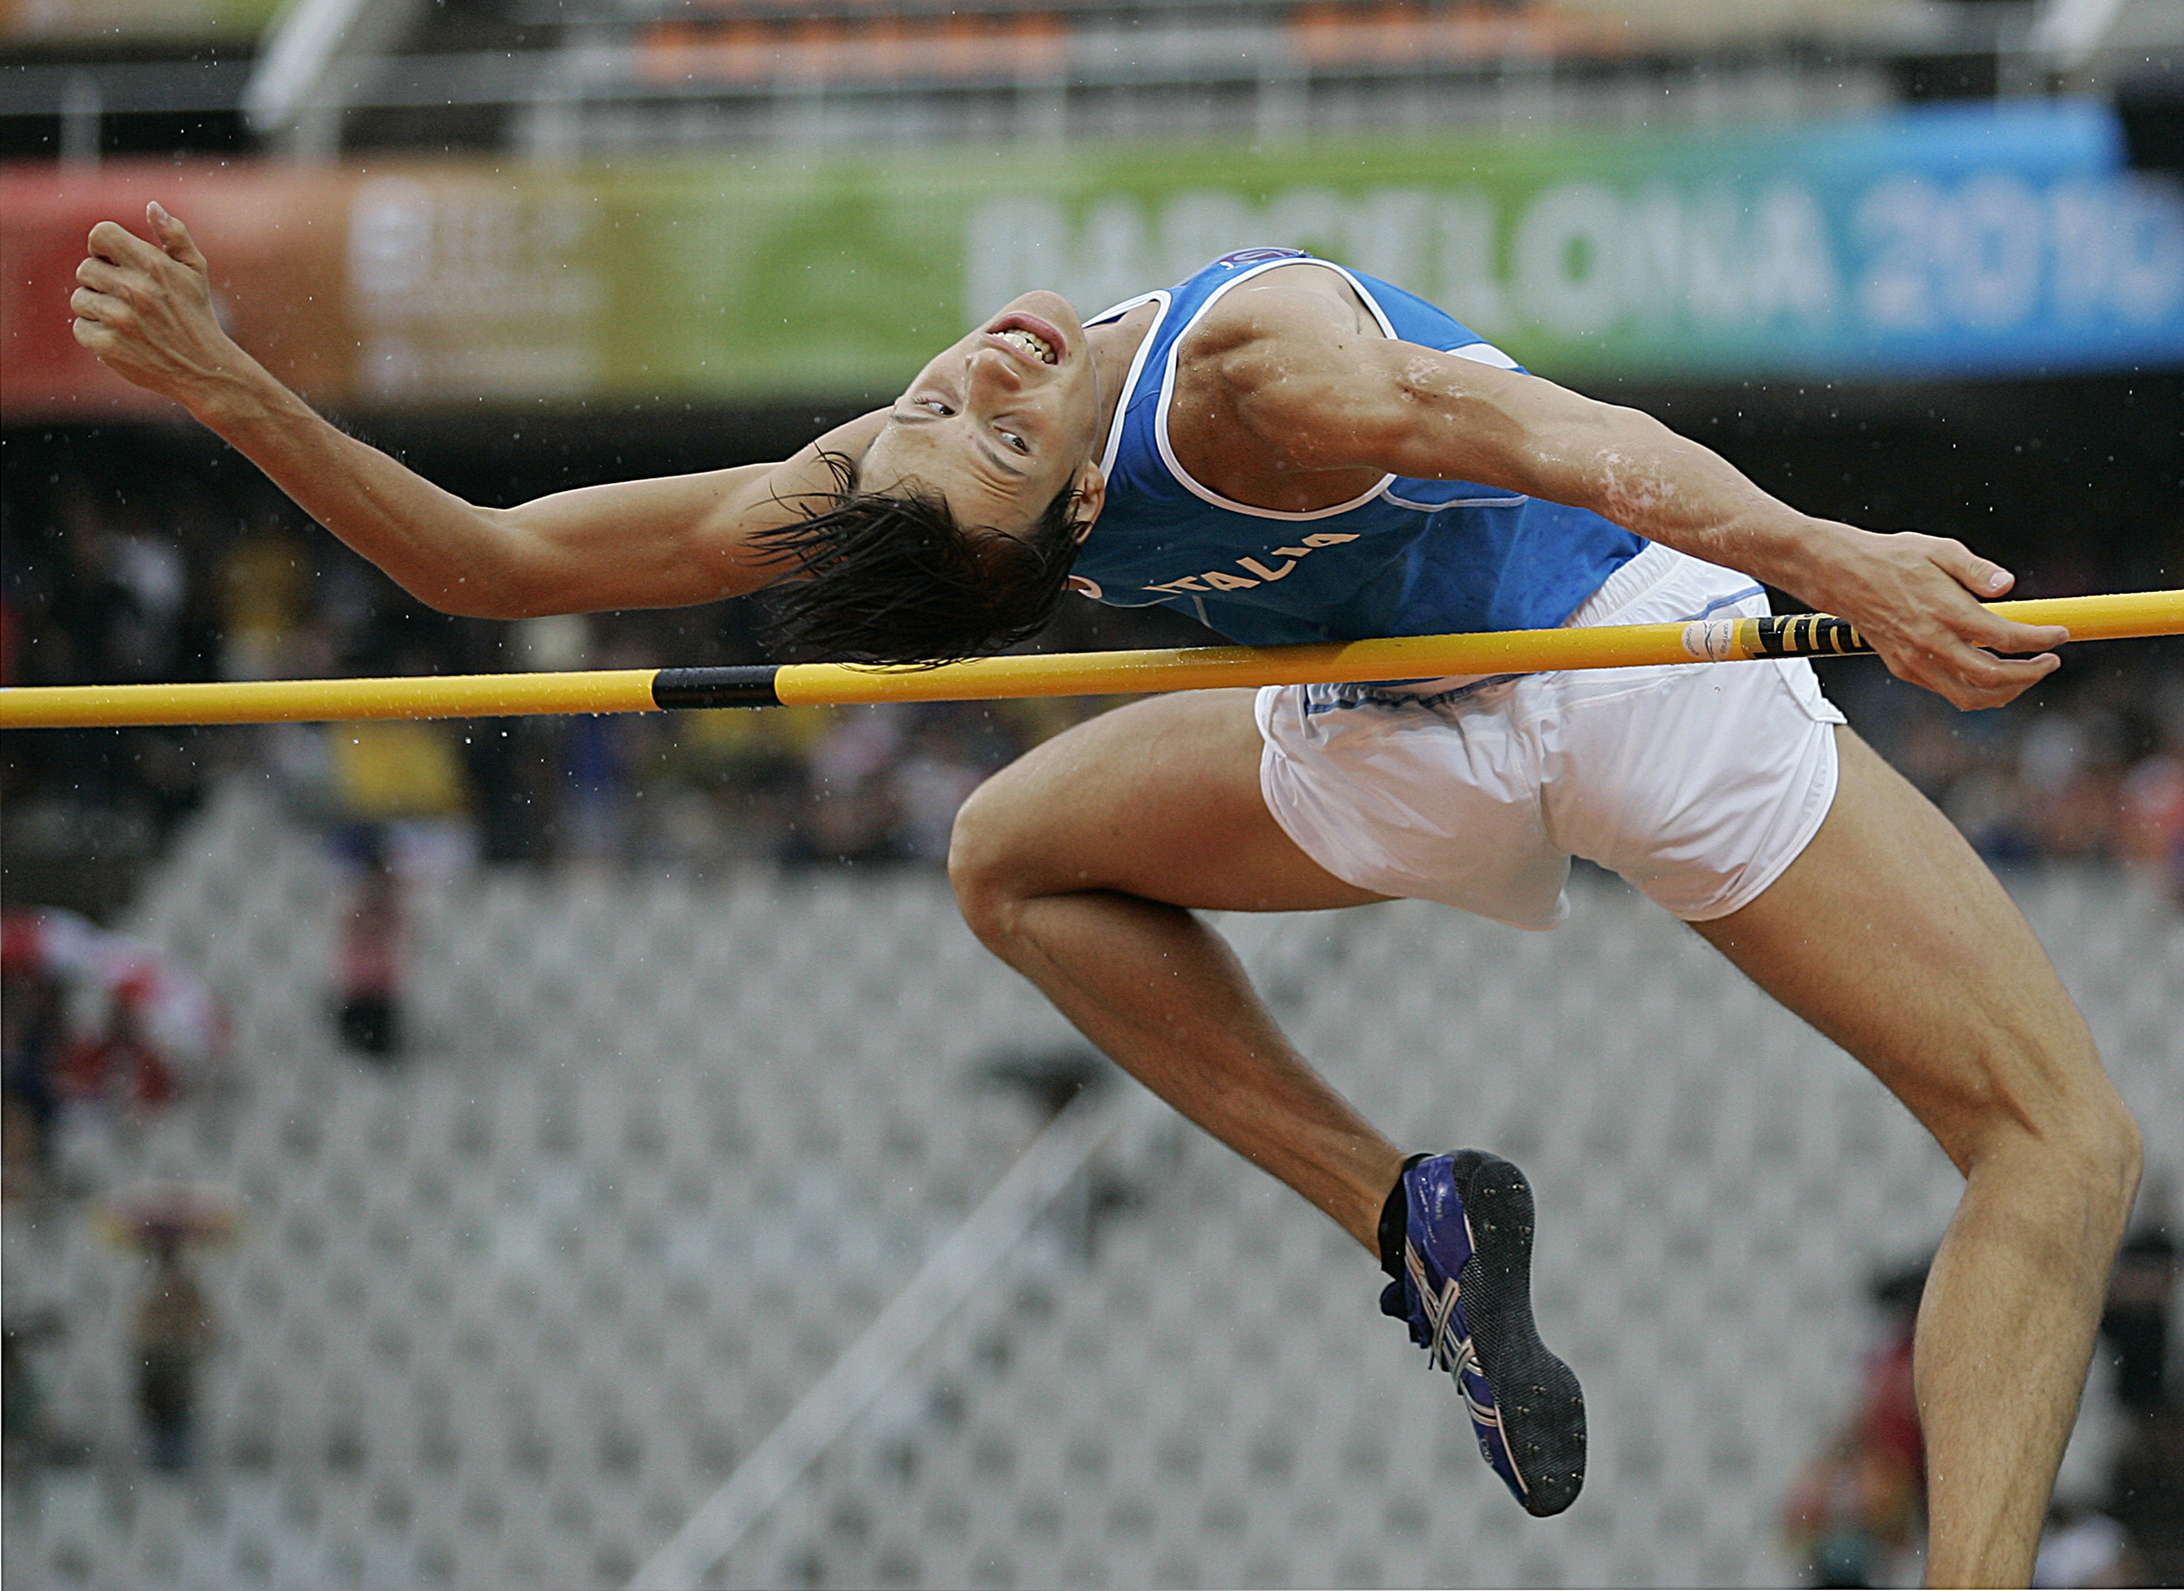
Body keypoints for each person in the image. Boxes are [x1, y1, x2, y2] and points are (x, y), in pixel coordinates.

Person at [69, 205, 2143, 1577]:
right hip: (1551, 691)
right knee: (2057, 1141)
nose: (966, 379)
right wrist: (225, 385)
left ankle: (1429, 1227)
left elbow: (499, 567)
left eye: (938, 401)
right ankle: (1414, 1223)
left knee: (1007, 848)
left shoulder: (1093, 426)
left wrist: (1826, 561)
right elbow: (491, 568)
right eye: (967, 431)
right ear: (1065, 526)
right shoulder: (1234, 375)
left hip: (1482, 704)